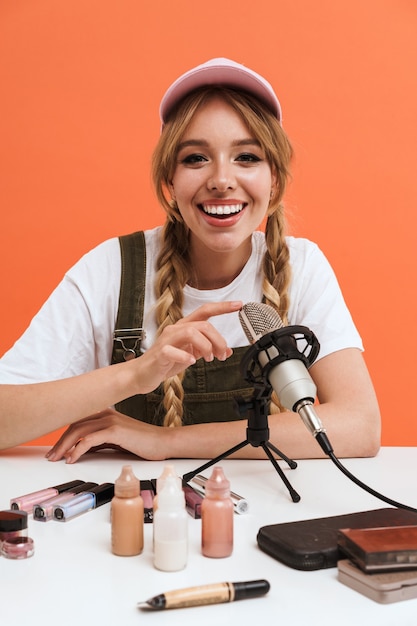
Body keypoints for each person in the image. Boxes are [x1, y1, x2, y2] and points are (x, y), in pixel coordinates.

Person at [0, 58, 380, 464]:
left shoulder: (301, 266)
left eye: (247, 157)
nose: (220, 179)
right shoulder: (111, 269)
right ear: (170, 182)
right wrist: (135, 373)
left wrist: (165, 442)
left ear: (275, 181)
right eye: (195, 158)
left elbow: (360, 425)